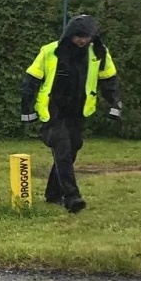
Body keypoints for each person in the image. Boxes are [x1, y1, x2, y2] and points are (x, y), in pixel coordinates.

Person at [21, 13, 122, 213]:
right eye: (78, 36)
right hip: (52, 110)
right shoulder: (50, 51)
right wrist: (27, 110)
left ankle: (53, 194)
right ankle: (72, 196)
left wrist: (115, 103)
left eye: (86, 37)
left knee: (71, 149)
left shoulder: (99, 52)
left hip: (78, 111)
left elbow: (109, 80)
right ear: (69, 35)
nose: (82, 41)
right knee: (63, 148)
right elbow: (30, 81)